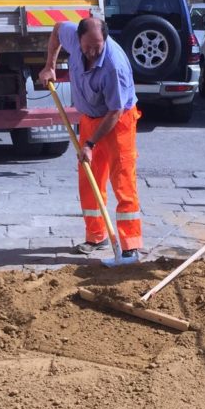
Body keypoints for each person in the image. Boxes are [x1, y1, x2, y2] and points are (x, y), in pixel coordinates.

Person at [39, 16, 142, 262]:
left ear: (105, 39)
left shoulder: (114, 66)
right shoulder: (72, 37)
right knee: (89, 179)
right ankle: (96, 236)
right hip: (90, 119)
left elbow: (115, 111)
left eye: (98, 47)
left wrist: (90, 144)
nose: (93, 52)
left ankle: (130, 245)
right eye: (88, 47)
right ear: (79, 40)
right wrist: (49, 65)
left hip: (118, 122)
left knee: (122, 181)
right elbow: (56, 30)